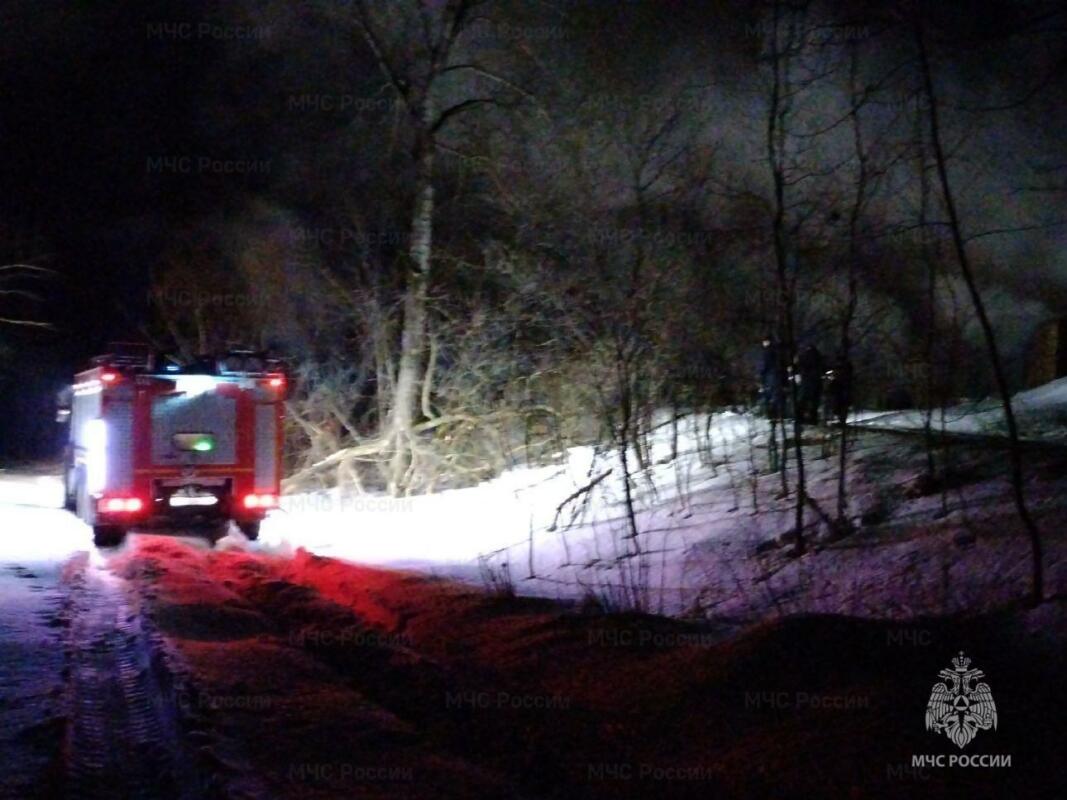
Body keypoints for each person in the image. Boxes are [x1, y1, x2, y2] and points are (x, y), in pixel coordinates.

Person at [795, 344, 824, 425]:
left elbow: (800, 366)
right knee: (814, 402)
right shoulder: (818, 356)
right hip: (816, 381)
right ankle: (813, 420)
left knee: (803, 401)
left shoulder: (804, 357)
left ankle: (800, 419)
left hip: (806, 381)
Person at [759, 337, 784, 419]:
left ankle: (772, 416)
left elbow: (764, 366)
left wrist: (761, 375)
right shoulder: (777, 351)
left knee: (769, 396)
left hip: (770, 376)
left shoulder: (767, 352)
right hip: (777, 375)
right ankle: (779, 415)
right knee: (776, 395)